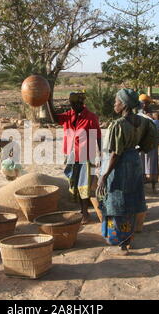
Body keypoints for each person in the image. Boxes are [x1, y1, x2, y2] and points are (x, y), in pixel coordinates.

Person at [97, 89, 159, 256]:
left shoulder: (118, 124)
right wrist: (139, 149)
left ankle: (119, 241)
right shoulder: (143, 121)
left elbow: (115, 153)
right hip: (135, 162)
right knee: (132, 201)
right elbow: (155, 139)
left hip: (119, 166)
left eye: (116, 101)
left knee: (116, 201)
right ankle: (128, 238)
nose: (114, 104)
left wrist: (104, 175)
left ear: (124, 104)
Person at [56, 91, 102, 224]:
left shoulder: (91, 117)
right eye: (70, 104)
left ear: (80, 104)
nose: (71, 106)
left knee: (84, 184)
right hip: (72, 155)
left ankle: (85, 214)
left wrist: (100, 155)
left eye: (73, 104)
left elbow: (97, 136)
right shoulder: (69, 115)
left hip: (87, 155)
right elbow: (53, 117)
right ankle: (83, 212)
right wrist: (48, 101)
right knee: (74, 183)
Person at [138, 94, 159, 193]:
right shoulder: (139, 116)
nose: (146, 105)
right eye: (145, 103)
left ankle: (152, 187)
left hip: (148, 144)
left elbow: (157, 128)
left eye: (147, 104)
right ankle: (148, 187)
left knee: (149, 164)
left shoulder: (152, 115)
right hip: (144, 144)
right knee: (146, 164)